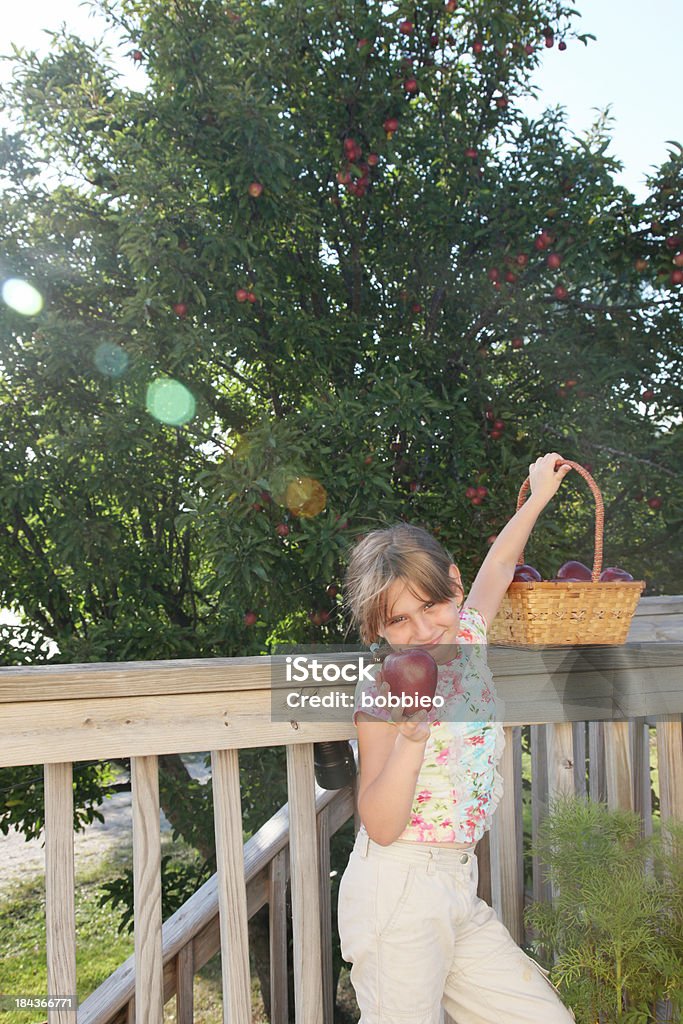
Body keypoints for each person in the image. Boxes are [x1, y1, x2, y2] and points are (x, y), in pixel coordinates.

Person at [337, 452, 576, 1024]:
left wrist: (538, 494)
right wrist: (412, 740)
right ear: (378, 630)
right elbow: (382, 823)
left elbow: (499, 566)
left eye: (432, 604)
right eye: (399, 621)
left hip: (456, 887)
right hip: (398, 889)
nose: (424, 629)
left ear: (453, 586)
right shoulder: (382, 697)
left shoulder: (468, 633)